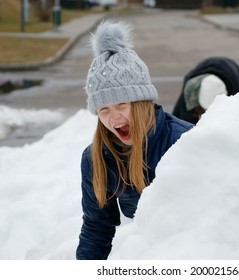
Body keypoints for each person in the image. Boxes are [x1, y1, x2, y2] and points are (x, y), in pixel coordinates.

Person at [76, 20, 193, 260]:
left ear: (141, 103)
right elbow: (97, 227)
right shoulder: (96, 158)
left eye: (122, 104)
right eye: (103, 109)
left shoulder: (183, 142)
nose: (113, 117)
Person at [172, 56, 239, 124]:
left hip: (231, 73)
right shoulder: (190, 89)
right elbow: (178, 120)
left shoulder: (237, 90)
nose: (202, 115)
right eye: (202, 111)